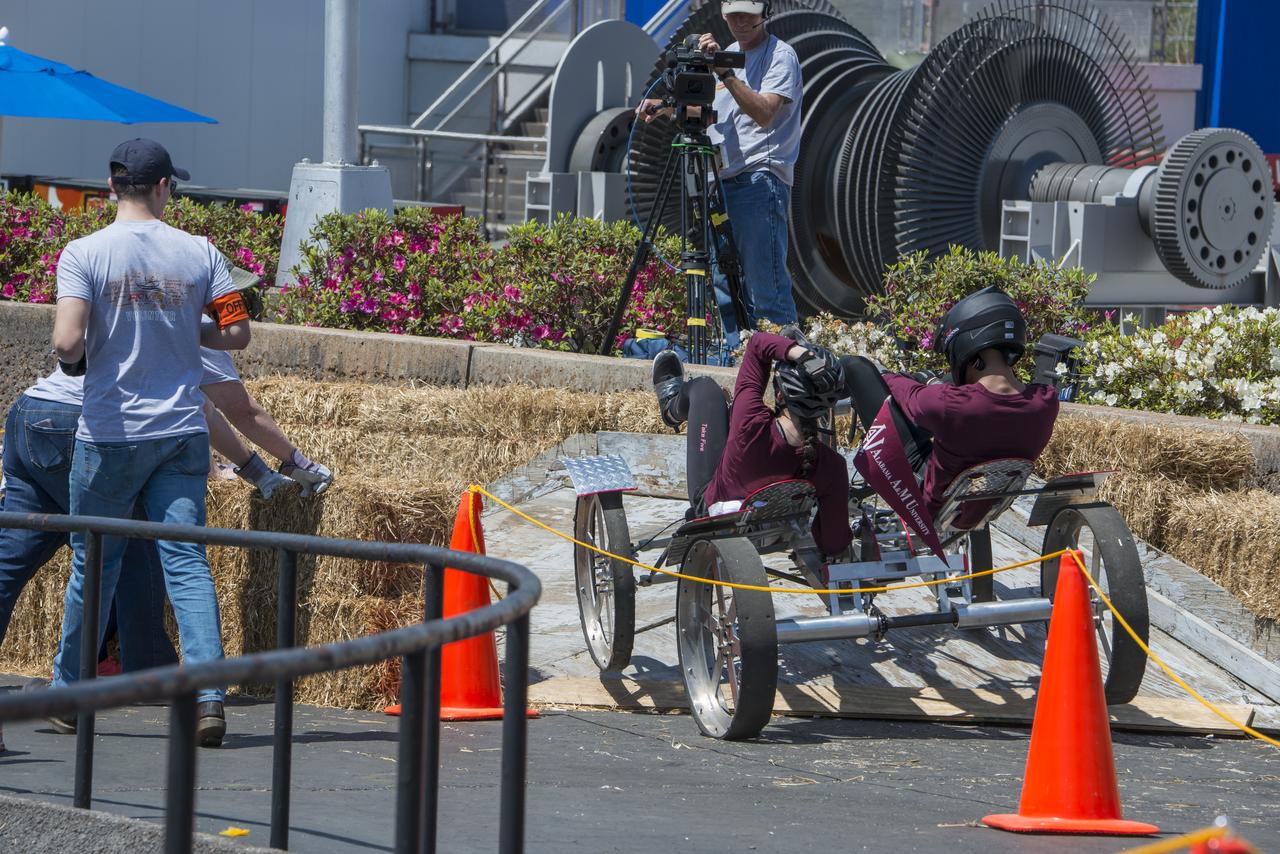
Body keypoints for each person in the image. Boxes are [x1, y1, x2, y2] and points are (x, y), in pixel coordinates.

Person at [49, 138, 250, 748]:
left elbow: (65, 344)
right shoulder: (204, 252)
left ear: (112, 187)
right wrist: (186, 328)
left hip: (111, 432)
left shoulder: (82, 252)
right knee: (187, 564)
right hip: (182, 433)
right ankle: (209, 696)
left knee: (95, 563)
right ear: (164, 187)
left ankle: (71, 696)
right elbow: (237, 333)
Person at [637, 0, 803, 347]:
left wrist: (725, 72)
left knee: (765, 286)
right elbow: (707, 111)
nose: (740, 21)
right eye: (733, 14)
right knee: (723, 282)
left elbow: (764, 113)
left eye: (748, 14)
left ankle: (786, 372)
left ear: (764, 14)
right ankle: (736, 360)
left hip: (759, 178)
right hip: (720, 181)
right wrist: (667, 106)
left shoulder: (780, 56)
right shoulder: (726, 53)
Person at [839, 287, 1060, 530]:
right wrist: (935, 383)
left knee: (855, 366)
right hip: (976, 506)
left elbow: (907, 392)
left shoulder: (952, 403)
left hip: (927, 504)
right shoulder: (1047, 401)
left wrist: (890, 373)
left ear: (966, 345)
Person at [651, 330, 852, 560]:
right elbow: (833, 542)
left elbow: (757, 344)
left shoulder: (751, 420)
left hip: (714, 509)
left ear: (780, 396)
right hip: (776, 523)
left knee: (706, 390)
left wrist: (799, 353)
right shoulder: (831, 465)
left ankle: (671, 407)